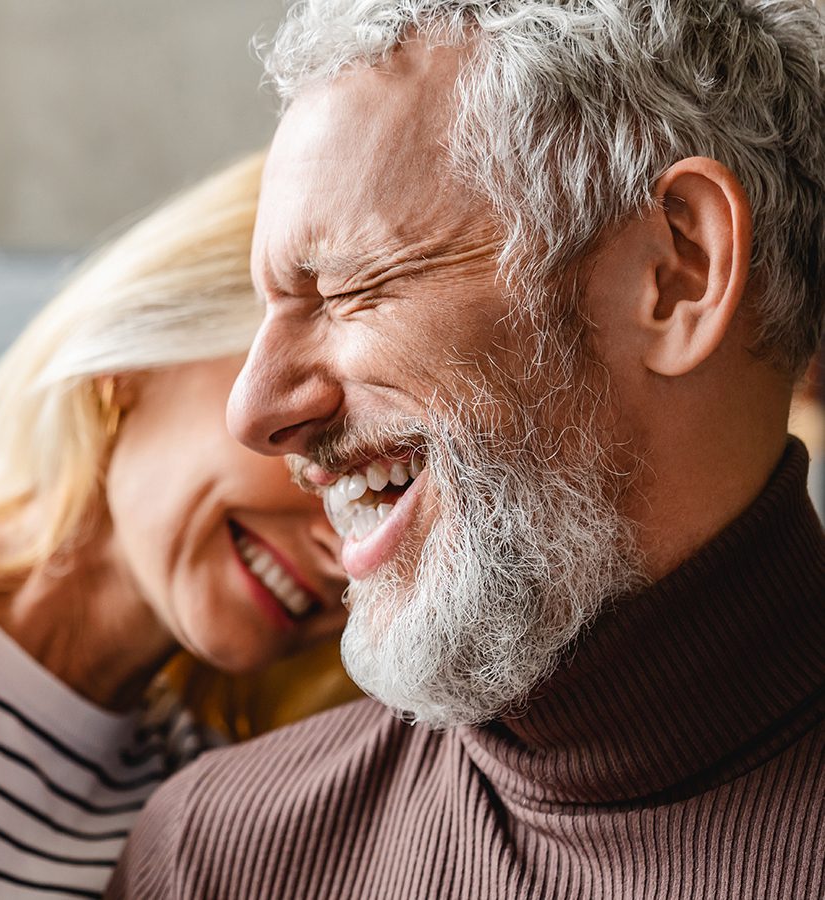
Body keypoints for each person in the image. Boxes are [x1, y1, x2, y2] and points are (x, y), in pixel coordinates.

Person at [110, 2, 825, 898]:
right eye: (267, 310)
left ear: (676, 271)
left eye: (344, 289)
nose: (254, 412)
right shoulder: (217, 854)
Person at [0, 151, 353, 899]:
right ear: (148, 352)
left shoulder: (205, 826)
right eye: (320, 437)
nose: (350, 553)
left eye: (388, 490)